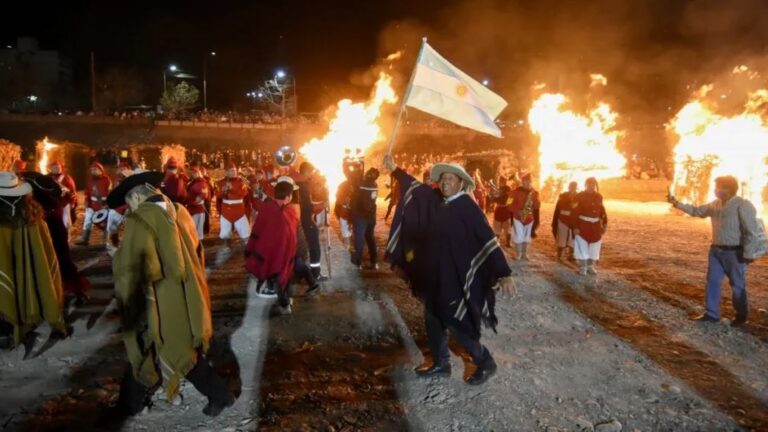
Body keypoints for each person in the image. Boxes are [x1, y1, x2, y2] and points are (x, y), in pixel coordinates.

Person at [107, 170, 234, 417]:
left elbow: (143, 267)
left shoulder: (141, 220)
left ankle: (220, 394)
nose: (128, 208)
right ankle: (131, 402)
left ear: (135, 197)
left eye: (128, 202)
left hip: (158, 296)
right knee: (177, 345)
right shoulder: (178, 210)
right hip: (185, 290)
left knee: (153, 345)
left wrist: (118, 256)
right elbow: (195, 249)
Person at [383, 155, 515, 386]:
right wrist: (395, 169)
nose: (444, 183)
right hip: (434, 275)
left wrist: (504, 273)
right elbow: (415, 187)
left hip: (455, 276)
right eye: (442, 178)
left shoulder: (468, 208)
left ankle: (484, 360)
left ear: (461, 183)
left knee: (455, 320)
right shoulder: (436, 200)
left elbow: (488, 240)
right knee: (432, 318)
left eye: (450, 179)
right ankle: (441, 363)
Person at [669, 176, 762, 326]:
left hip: (735, 253)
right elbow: (696, 211)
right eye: (716, 187)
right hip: (716, 251)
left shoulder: (742, 205)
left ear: (729, 189)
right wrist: (676, 203)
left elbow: (751, 231)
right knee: (712, 282)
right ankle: (711, 314)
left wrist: (749, 254)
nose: (716, 190)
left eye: (719, 187)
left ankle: (741, 315)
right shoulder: (715, 204)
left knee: (737, 286)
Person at [0, 171, 69, 351]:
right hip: (26, 271)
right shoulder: (34, 213)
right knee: (30, 279)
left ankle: (6, 330)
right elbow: (45, 253)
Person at [22, 171, 91, 305]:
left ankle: (62, 293)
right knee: (59, 260)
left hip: (49, 228)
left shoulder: (36, 191)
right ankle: (68, 292)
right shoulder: (51, 193)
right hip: (50, 227)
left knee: (56, 260)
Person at [245, 176, 300, 313]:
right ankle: (286, 303)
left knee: (277, 275)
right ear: (288, 196)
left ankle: (285, 302)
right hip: (285, 252)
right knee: (284, 276)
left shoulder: (268, 208)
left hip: (269, 250)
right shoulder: (292, 210)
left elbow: (258, 227)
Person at [294, 162, 325, 279]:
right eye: (310, 172)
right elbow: (306, 206)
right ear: (306, 172)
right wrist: (321, 206)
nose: (311, 175)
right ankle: (315, 273)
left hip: (297, 218)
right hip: (305, 219)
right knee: (314, 246)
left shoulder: (296, 182)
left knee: (301, 246)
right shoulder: (303, 185)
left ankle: (300, 272)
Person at [572, 178, 608, 275]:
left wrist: (604, 224)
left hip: (595, 226)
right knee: (582, 245)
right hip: (582, 225)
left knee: (594, 246)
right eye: (589, 184)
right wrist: (575, 227)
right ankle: (583, 267)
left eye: (593, 184)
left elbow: (602, 211)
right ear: (585, 184)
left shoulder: (599, 196)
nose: (591, 186)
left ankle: (590, 266)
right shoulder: (579, 196)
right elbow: (574, 213)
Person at [350, 167, 380, 270]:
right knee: (370, 237)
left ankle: (357, 263)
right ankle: (374, 261)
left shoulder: (362, 184)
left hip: (361, 216)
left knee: (359, 239)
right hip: (371, 217)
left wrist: (355, 169)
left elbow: (351, 179)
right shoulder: (375, 185)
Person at [76, 161, 112, 246]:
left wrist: (108, 203)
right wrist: (87, 201)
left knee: (106, 222)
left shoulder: (106, 180)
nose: (93, 171)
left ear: (100, 170)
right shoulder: (89, 180)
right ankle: (84, 239)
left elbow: (110, 192)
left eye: (95, 169)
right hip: (92, 205)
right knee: (87, 220)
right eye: (92, 170)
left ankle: (105, 240)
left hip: (103, 205)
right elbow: (87, 192)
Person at [216, 161, 251, 242]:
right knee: (224, 234)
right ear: (227, 172)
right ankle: (226, 248)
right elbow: (217, 195)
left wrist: (232, 188)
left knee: (246, 233)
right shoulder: (220, 182)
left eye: (235, 170)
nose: (234, 172)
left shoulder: (242, 181)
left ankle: (248, 247)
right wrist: (223, 190)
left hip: (239, 211)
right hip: (226, 211)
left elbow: (244, 193)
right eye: (232, 170)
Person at [509, 173, 540, 260]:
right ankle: (518, 254)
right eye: (525, 182)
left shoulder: (535, 193)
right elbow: (508, 205)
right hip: (518, 218)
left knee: (526, 237)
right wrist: (517, 211)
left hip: (529, 218)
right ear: (522, 182)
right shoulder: (513, 192)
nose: (527, 183)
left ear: (531, 182)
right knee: (518, 236)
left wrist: (536, 200)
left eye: (529, 182)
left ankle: (524, 254)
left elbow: (537, 207)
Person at [105, 162, 133, 250]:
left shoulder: (132, 181)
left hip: (128, 207)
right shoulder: (116, 180)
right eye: (120, 169)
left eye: (123, 169)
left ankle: (130, 246)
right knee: (112, 227)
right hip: (116, 207)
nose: (121, 171)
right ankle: (114, 243)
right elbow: (112, 192)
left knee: (130, 228)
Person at [48, 160, 77, 237]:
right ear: (50, 168)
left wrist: (72, 202)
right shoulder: (47, 178)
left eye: (58, 167)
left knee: (65, 221)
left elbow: (72, 191)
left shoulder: (67, 178)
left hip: (64, 203)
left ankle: (66, 238)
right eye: (54, 167)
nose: (57, 169)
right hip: (51, 204)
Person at [552, 181, 578, 261]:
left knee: (573, 238)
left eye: (574, 187)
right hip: (562, 219)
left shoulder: (579, 197)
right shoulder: (563, 196)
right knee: (561, 238)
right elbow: (558, 208)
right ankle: (559, 255)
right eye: (571, 186)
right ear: (569, 187)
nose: (572, 188)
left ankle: (571, 255)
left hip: (573, 220)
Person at [186, 164, 211, 240]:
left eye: (192, 173)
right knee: (193, 229)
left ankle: (198, 247)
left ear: (196, 173)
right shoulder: (193, 182)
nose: (191, 174)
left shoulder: (201, 182)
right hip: (192, 208)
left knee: (197, 231)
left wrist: (195, 201)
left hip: (197, 209)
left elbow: (203, 194)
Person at [492, 177, 513, 247]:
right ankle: (497, 242)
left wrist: (508, 204)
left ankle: (508, 243)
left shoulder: (508, 189)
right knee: (497, 228)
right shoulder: (497, 189)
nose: (502, 182)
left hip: (505, 210)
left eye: (503, 181)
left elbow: (511, 198)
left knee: (507, 228)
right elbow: (494, 199)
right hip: (499, 210)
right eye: (501, 181)